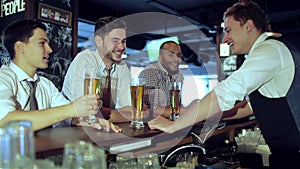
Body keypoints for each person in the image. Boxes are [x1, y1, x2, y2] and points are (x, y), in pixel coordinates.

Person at [148, 0, 300, 167]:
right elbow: (248, 107)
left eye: (228, 30)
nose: (225, 39)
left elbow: (224, 93)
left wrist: (174, 126)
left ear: (248, 26)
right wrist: (191, 113)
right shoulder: (269, 52)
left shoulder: (269, 50)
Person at [0, 19, 121, 133]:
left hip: (43, 151)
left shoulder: (45, 84)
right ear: (20, 47)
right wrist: (71, 109)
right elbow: (6, 120)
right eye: (42, 43)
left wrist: (94, 122)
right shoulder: (4, 79)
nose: (50, 49)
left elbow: (70, 116)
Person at [62, 16, 132, 122]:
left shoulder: (122, 67)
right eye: (115, 41)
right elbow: (87, 112)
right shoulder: (85, 60)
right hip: (69, 130)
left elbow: (131, 109)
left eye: (124, 41)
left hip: (103, 128)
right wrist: (124, 116)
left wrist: (126, 115)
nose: (122, 47)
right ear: (99, 41)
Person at [138, 40, 184, 118]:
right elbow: (151, 110)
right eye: (170, 55)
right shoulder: (150, 73)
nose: (176, 59)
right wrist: (186, 111)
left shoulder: (179, 75)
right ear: (160, 58)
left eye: (178, 55)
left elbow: (177, 104)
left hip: (170, 121)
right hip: (151, 124)